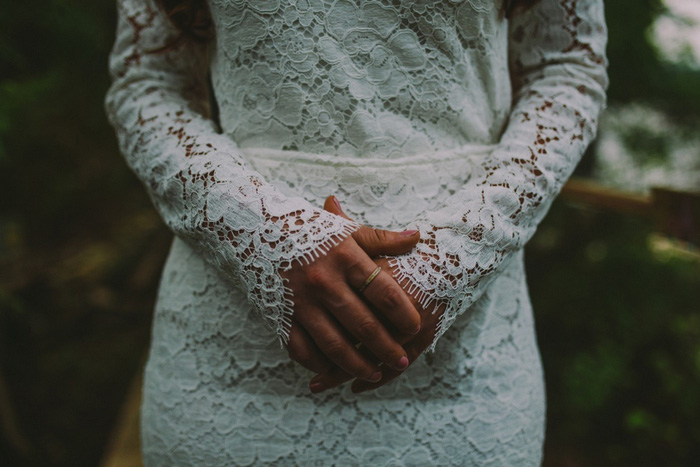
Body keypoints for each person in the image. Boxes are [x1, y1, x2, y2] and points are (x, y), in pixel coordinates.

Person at [105, 0, 608, 464]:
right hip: (235, 355)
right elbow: (148, 83)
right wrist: (266, 236)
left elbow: (565, 68)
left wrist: (454, 258)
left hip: (464, 356)